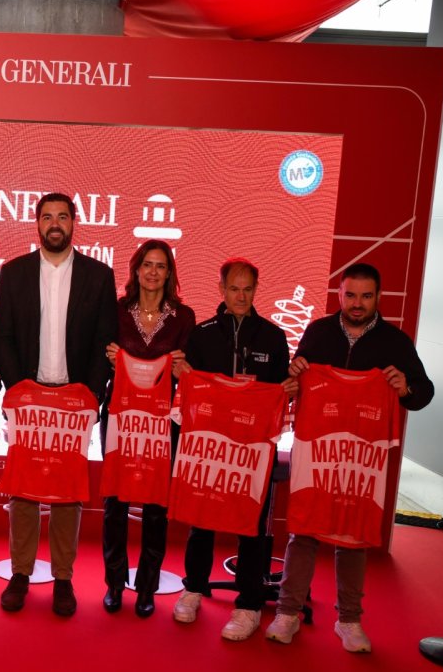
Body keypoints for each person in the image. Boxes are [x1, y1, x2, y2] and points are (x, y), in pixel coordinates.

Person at [264, 262, 434, 653]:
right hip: (319, 452)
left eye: (366, 296)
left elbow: (423, 393)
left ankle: (349, 619)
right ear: (340, 294)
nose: (357, 303)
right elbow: (294, 383)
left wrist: (405, 388)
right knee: (304, 531)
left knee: (354, 536)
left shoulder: (395, 342)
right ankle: (288, 612)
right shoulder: (318, 332)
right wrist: (294, 375)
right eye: (351, 295)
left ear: (378, 297)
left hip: (361, 457)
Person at [0, 192, 118, 617]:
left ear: (73, 223)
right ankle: (21, 573)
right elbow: (4, 336)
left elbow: (104, 340)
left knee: (68, 493)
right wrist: (18, 390)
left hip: (74, 400)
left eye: (62, 217)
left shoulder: (99, 276)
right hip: (28, 397)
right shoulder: (14, 273)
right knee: (23, 490)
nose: (55, 224)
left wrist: (91, 395)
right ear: (37, 223)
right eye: (47, 217)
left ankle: (63, 577)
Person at [170, 258, 291, 640]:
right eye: (234, 289)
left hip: (253, 450)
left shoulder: (273, 337)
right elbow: (187, 392)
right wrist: (182, 376)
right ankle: (193, 588)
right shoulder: (202, 335)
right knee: (202, 517)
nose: (241, 296)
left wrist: (287, 390)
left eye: (248, 289)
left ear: (256, 290)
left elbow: (282, 393)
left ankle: (249, 605)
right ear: (221, 289)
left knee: (252, 524)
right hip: (210, 446)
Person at [100, 240, 195, 618]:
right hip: (120, 415)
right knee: (115, 502)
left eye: (161, 266)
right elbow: (99, 353)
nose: (153, 272)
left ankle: (146, 586)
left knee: (156, 505)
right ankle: (114, 582)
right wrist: (109, 360)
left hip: (162, 419)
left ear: (169, 273)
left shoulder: (183, 317)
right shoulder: (116, 311)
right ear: (136, 270)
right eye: (147, 265)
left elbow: (189, 370)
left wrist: (183, 369)